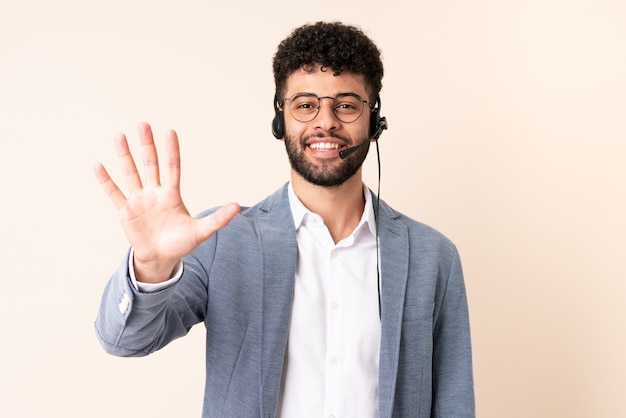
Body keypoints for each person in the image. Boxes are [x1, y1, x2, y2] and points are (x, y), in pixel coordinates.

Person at [94, 21, 475, 417]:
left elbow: (454, 404)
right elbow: (124, 340)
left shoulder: (434, 257)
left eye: (345, 104)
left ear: (374, 119)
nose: (325, 121)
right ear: (280, 120)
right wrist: (151, 267)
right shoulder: (223, 239)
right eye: (306, 104)